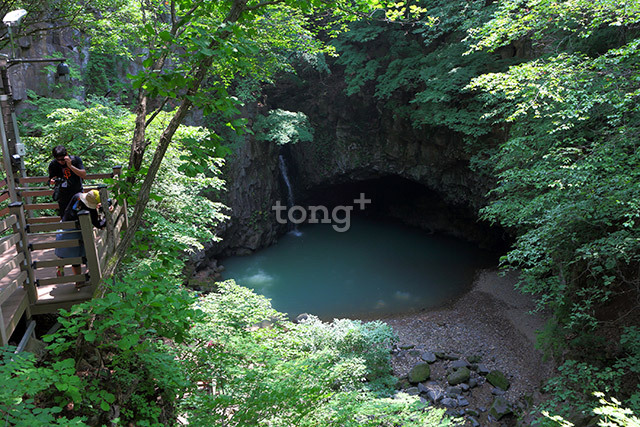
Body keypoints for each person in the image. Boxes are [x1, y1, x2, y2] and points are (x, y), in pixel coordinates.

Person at [55, 190, 106, 289]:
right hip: (75, 232)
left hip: (63, 227)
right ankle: (79, 281)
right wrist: (106, 216)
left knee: (63, 251)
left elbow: (69, 210)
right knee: (77, 256)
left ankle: (60, 264)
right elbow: (99, 224)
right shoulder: (89, 210)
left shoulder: (76, 196)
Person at [48, 145, 87, 217]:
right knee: (65, 217)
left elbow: (83, 175)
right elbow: (51, 178)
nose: (61, 162)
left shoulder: (75, 160)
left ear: (66, 155)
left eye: (62, 159)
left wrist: (70, 166)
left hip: (77, 193)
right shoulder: (53, 164)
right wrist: (52, 181)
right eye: (58, 160)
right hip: (63, 195)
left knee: (79, 216)